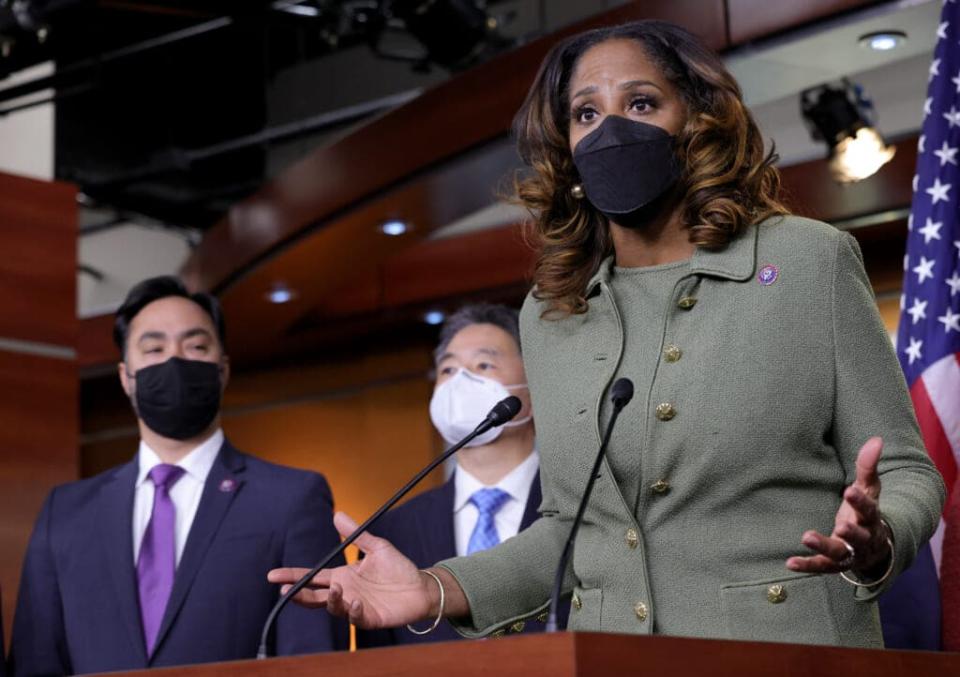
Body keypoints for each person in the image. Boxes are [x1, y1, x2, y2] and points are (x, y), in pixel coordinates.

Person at [269, 20, 945, 648]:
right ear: (565, 150)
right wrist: (438, 586)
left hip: (787, 652)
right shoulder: (553, 310)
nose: (611, 128)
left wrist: (878, 537)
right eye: (586, 114)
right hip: (610, 656)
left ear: (698, 120)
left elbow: (906, 469)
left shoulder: (806, 261)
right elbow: (571, 528)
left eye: (642, 103)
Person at [10, 277, 348, 676]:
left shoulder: (291, 498)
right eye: (154, 348)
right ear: (125, 376)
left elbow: (314, 661)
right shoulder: (65, 512)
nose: (175, 360)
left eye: (196, 346)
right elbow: (35, 661)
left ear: (222, 369)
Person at [356, 303, 566, 647]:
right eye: (448, 369)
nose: (461, 381)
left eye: (484, 364)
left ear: (533, 386)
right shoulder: (388, 533)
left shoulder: (584, 509)